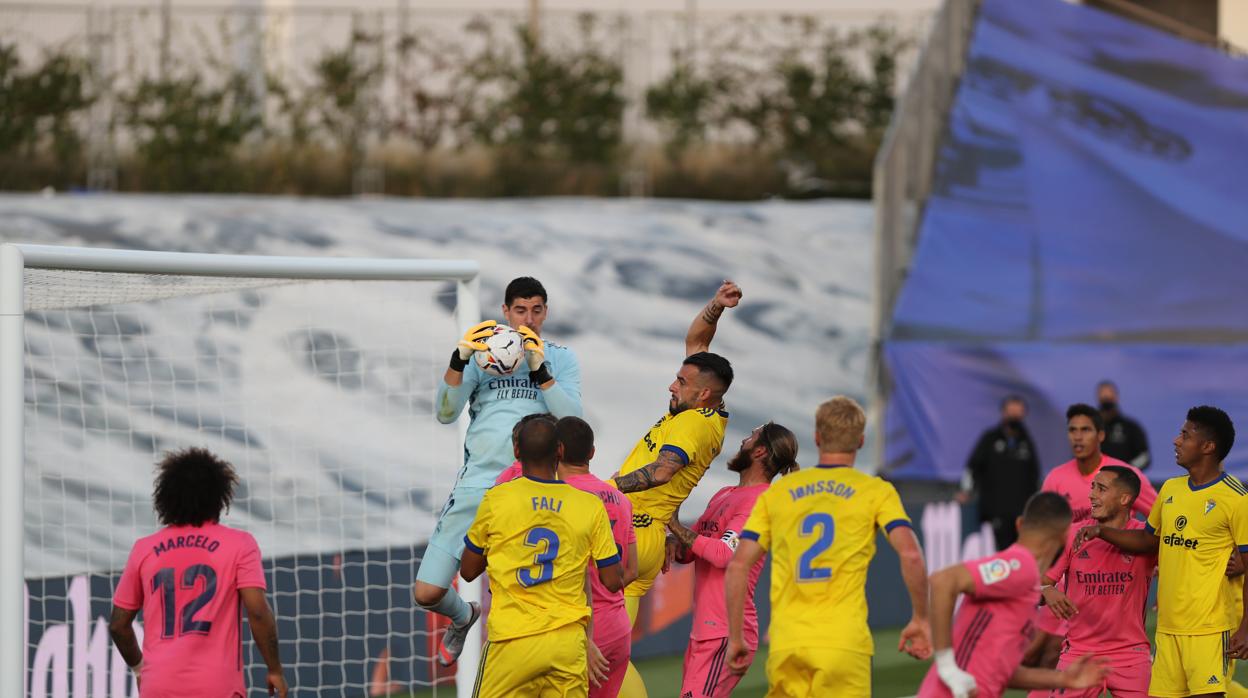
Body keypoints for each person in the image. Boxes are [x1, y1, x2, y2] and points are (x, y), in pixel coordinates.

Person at [417, 276, 582, 665]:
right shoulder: (480, 356)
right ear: (505, 312)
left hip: (533, 488)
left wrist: (541, 371)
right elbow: (445, 414)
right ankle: (464, 616)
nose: (528, 319)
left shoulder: (560, 357)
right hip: (477, 485)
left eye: (536, 310)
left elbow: (573, 422)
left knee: (526, 600)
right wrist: (458, 359)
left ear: (545, 312)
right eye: (520, 310)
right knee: (426, 592)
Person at [725, 396, 932, 697]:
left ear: (817, 438)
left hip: (788, 641)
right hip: (843, 642)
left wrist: (735, 637)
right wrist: (921, 618)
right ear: (860, 441)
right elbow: (911, 554)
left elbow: (738, 565)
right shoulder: (875, 491)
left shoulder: (779, 492)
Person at [609, 281, 741, 698]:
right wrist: (716, 306)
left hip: (635, 535)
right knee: (596, 649)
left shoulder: (692, 423)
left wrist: (601, 488)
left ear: (702, 394)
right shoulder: (705, 406)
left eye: (680, 382)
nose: (671, 386)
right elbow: (697, 341)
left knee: (599, 653)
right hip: (642, 532)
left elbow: (663, 471)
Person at [1077, 406, 1248, 697]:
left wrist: (1245, 628)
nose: (1176, 441)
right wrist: (1102, 531)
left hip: (1210, 627)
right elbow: (1148, 542)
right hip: (1168, 629)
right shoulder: (1170, 489)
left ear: (1208, 446)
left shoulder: (1236, 498)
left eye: (1185, 434)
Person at [460, 417, 623, 698]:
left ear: (516, 451)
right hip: (568, 644)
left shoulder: (498, 499)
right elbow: (612, 580)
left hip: (513, 641)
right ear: (560, 450)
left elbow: (468, 570)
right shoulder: (590, 505)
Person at [108, 448, 288, 698]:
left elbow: (118, 625)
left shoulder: (144, 549)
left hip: (159, 687)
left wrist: (140, 669)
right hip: (217, 687)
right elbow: (257, 611)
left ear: (167, 497)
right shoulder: (240, 544)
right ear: (219, 497)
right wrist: (274, 668)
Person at [918, 493, 1108, 698]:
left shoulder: (1027, 580)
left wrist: (1062, 679)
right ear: (1065, 536)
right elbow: (942, 580)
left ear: (1019, 524)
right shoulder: (1020, 566)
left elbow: (1001, 670)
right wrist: (947, 667)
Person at [666, 421, 799, 698]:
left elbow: (725, 554)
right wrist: (672, 535)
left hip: (726, 631)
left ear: (760, 451)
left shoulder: (760, 501)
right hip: (706, 630)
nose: (743, 441)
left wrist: (677, 527)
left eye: (751, 437)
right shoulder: (725, 495)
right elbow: (690, 552)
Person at [1027, 404, 1158, 670]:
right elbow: (1043, 531)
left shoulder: (1122, 476)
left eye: (1085, 430)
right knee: (1034, 657)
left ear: (1100, 435)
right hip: (1065, 581)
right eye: (1072, 430)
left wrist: (1158, 564)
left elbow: (1160, 520)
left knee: (1056, 654)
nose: (1078, 436)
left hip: (1109, 584)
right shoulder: (1056, 478)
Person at [1032, 466, 1155, 698]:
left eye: (1101, 489)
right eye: (1092, 487)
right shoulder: (1071, 534)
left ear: (1124, 498)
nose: (1091, 495)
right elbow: (1036, 585)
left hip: (1131, 654)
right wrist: (1047, 589)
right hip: (1079, 653)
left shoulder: (1145, 539)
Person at [959, 395, 1041, 550]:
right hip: (995, 513)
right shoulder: (990, 439)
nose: (1014, 416)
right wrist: (966, 491)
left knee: (1021, 554)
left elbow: (1034, 475)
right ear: (1003, 413)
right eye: (1011, 412)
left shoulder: (1027, 442)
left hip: (1022, 514)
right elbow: (972, 467)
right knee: (998, 557)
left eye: (1018, 413)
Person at [1097, 381, 1151, 471]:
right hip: (1094, 480)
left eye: (1109, 395)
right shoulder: (1091, 428)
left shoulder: (1131, 427)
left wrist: (1126, 471)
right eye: (1103, 395)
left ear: (1116, 397)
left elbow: (1144, 457)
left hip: (1125, 481)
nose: (1106, 398)